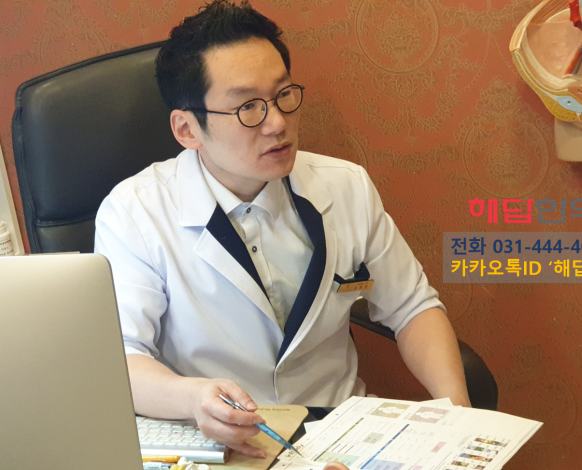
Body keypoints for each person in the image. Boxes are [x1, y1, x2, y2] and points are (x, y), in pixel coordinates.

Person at [93, 0, 470, 460]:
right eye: (247, 107)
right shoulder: (134, 212)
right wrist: (192, 398)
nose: (277, 123)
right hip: (224, 445)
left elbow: (412, 308)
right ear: (188, 129)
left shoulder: (344, 187)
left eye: (283, 95)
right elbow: (122, 359)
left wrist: (459, 413)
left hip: (339, 438)